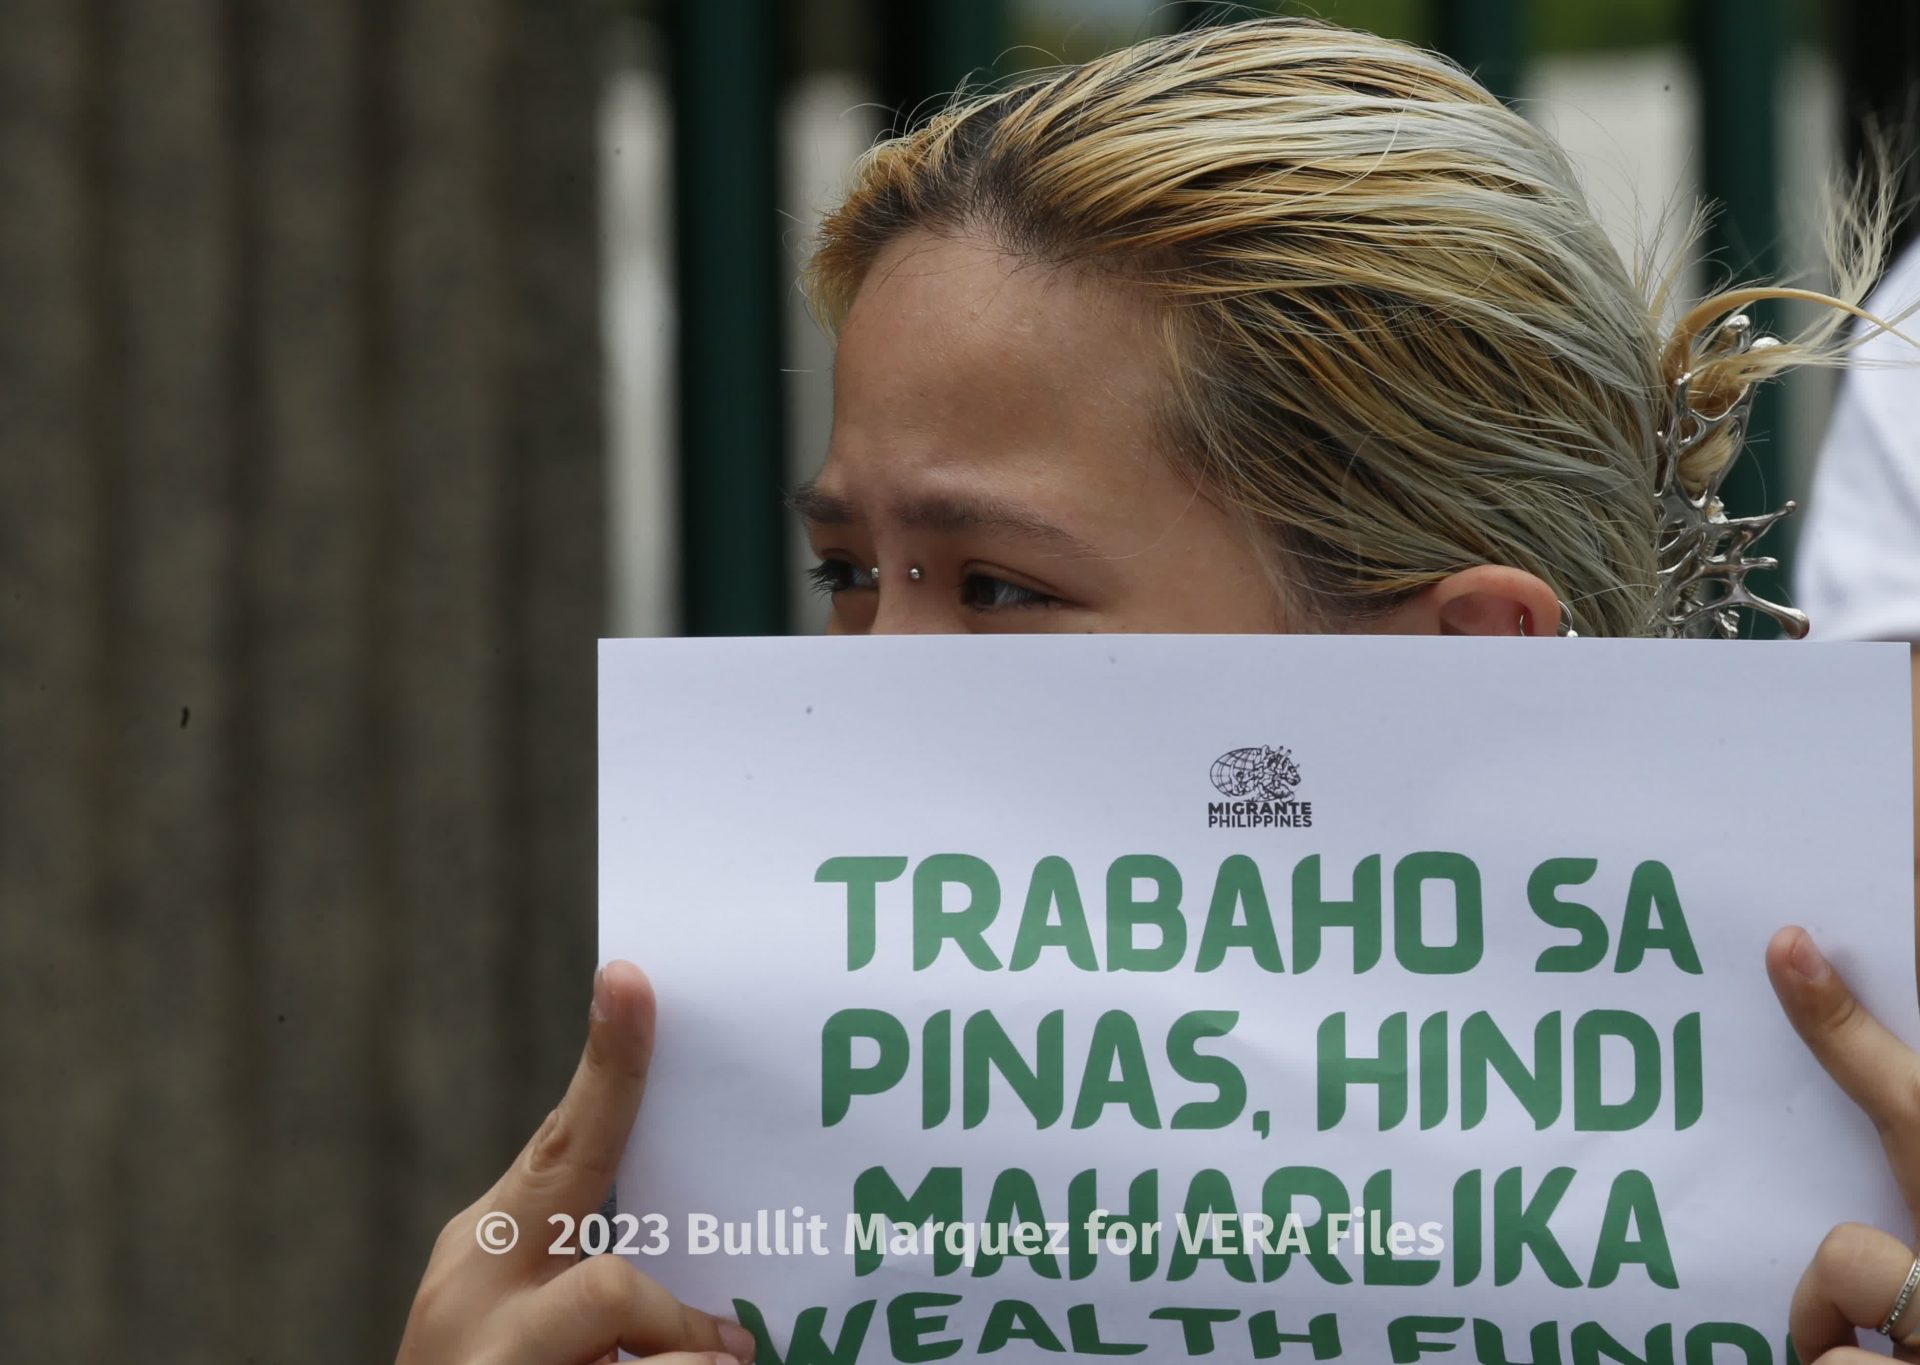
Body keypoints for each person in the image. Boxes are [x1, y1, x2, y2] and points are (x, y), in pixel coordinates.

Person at [393, 18, 1917, 1364]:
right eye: (847, 572)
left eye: (998, 587)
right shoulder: (694, 1256)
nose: (865, 678)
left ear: (1466, 669)